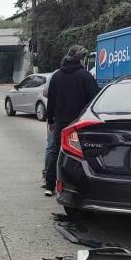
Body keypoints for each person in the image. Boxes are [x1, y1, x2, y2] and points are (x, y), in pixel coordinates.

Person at [44, 45, 99, 196]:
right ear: (80, 59)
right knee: (80, 154)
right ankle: (78, 186)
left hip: (61, 121)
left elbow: (51, 101)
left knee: (56, 152)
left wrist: (50, 121)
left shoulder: (57, 76)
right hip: (79, 123)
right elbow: (94, 99)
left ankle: (50, 185)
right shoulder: (85, 76)